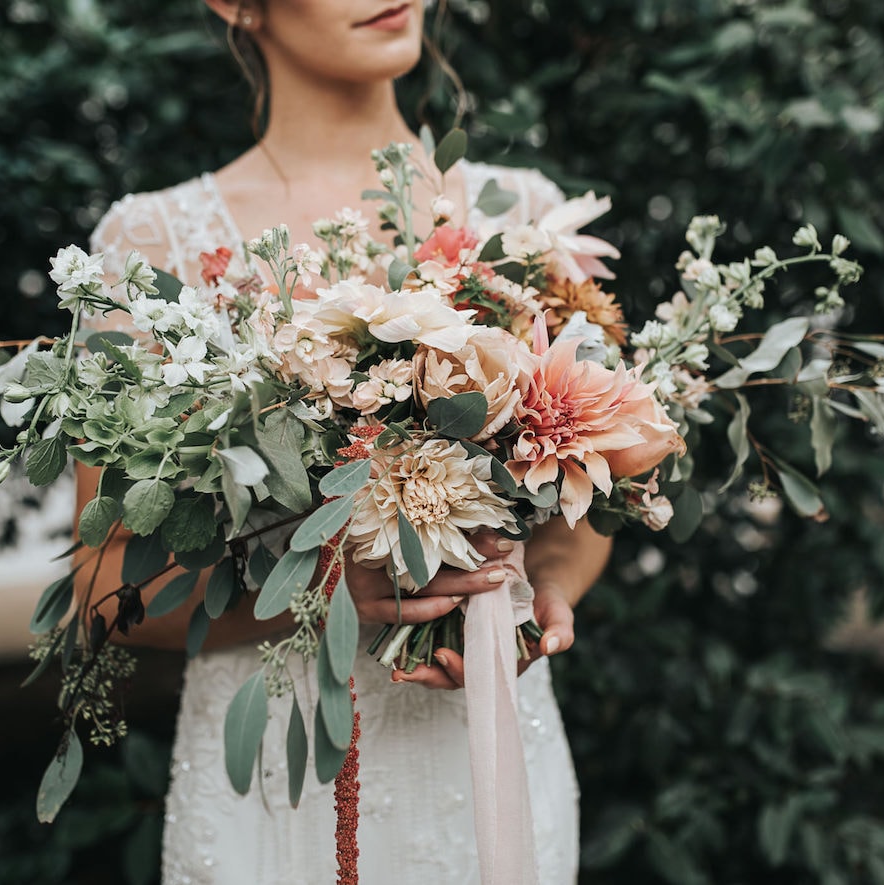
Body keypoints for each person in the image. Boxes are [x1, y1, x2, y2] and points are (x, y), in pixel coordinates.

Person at [74, 2, 612, 881]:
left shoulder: (530, 223)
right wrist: (323, 590)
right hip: (280, 775)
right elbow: (100, 582)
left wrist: (545, 587)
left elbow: (589, 486)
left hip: (488, 760)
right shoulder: (150, 249)